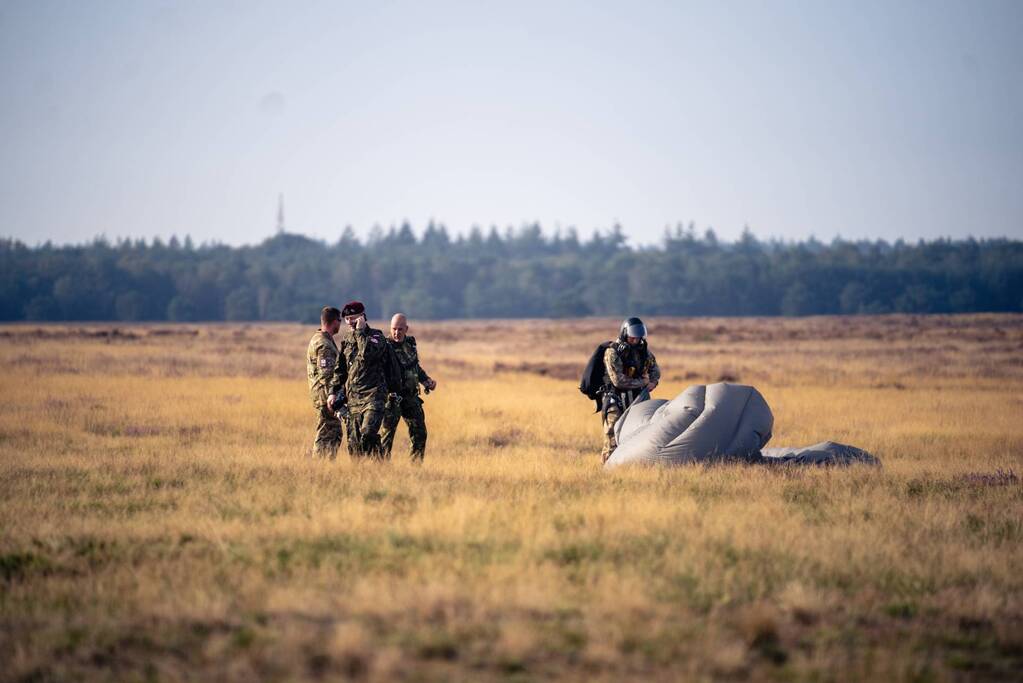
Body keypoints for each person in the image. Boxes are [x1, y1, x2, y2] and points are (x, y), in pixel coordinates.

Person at [337, 301, 402, 458]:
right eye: (347, 319)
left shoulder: (376, 337)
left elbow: (367, 355)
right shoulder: (346, 340)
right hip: (353, 399)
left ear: (362, 317)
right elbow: (340, 370)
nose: (350, 322)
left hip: (374, 396)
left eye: (353, 318)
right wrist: (334, 392)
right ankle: (367, 469)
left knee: (368, 433)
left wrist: (360, 332)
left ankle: (380, 462)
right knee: (354, 446)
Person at [601, 317, 660, 463]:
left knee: (641, 432)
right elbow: (618, 381)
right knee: (612, 434)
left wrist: (653, 382)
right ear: (624, 334)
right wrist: (643, 382)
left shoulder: (643, 352)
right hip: (615, 399)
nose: (635, 340)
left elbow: (655, 370)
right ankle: (607, 468)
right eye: (632, 336)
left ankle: (635, 466)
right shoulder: (612, 352)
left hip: (637, 398)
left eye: (638, 337)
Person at [381, 313, 437, 461]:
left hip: (411, 397)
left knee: (420, 433)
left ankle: (415, 468)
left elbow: (415, 367)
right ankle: (380, 468)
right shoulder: (384, 347)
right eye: (394, 329)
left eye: (400, 329)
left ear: (406, 329)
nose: (396, 332)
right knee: (386, 437)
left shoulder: (410, 345)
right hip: (392, 399)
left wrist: (426, 381)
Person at [306, 306, 344, 459]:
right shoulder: (324, 344)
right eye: (340, 320)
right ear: (334, 321)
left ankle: (326, 464)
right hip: (325, 397)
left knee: (332, 431)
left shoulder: (320, 338)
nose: (340, 324)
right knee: (327, 432)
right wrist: (333, 397)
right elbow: (327, 375)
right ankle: (319, 465)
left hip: (322, 396)